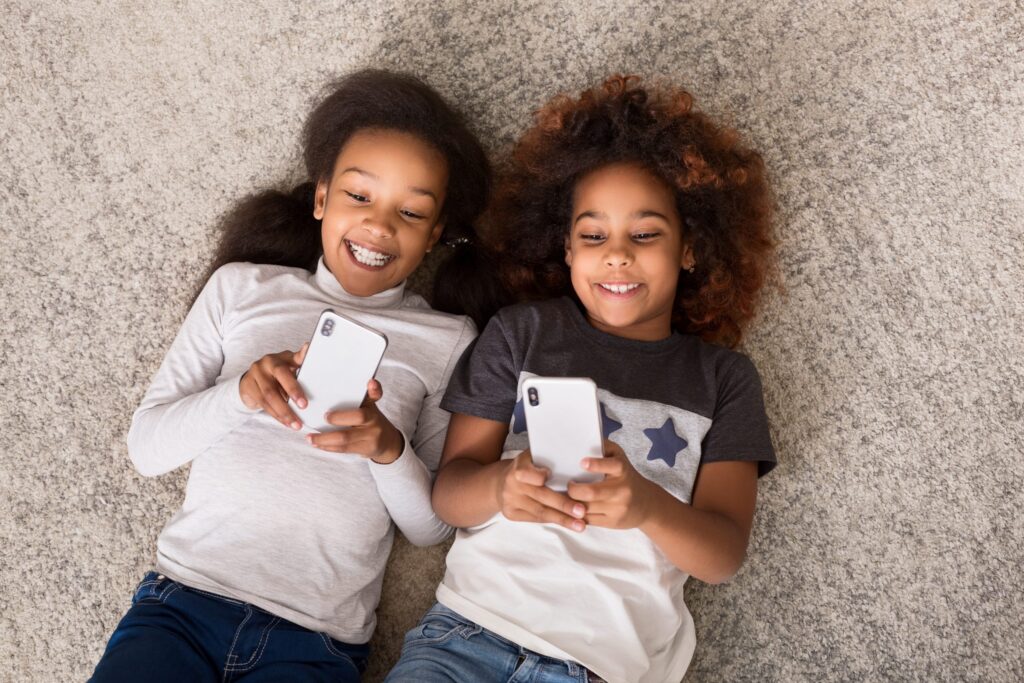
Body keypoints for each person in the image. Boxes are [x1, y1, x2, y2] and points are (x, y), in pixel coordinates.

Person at [91, 69, 502, 682]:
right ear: (321, 197)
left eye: (411, 213)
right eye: (359, 196)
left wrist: (387, 449)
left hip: (318, 639)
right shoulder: (242, 288)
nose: (380, 226)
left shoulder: (448, 340)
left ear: (434, 235)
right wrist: (241, 394)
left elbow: (431, 527)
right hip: (181, 606)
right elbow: (147, 448)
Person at [386, 75, 778, 683]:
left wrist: (647, 506)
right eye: (594, 236)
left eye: (645, 234)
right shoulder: (521, 334)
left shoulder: (723, 379)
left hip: (599, 668)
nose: (616, 254)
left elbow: (722, 555)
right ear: (566, 249)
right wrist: (499, 486)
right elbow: (450, 495)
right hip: (462, 639)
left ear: (690, 249)